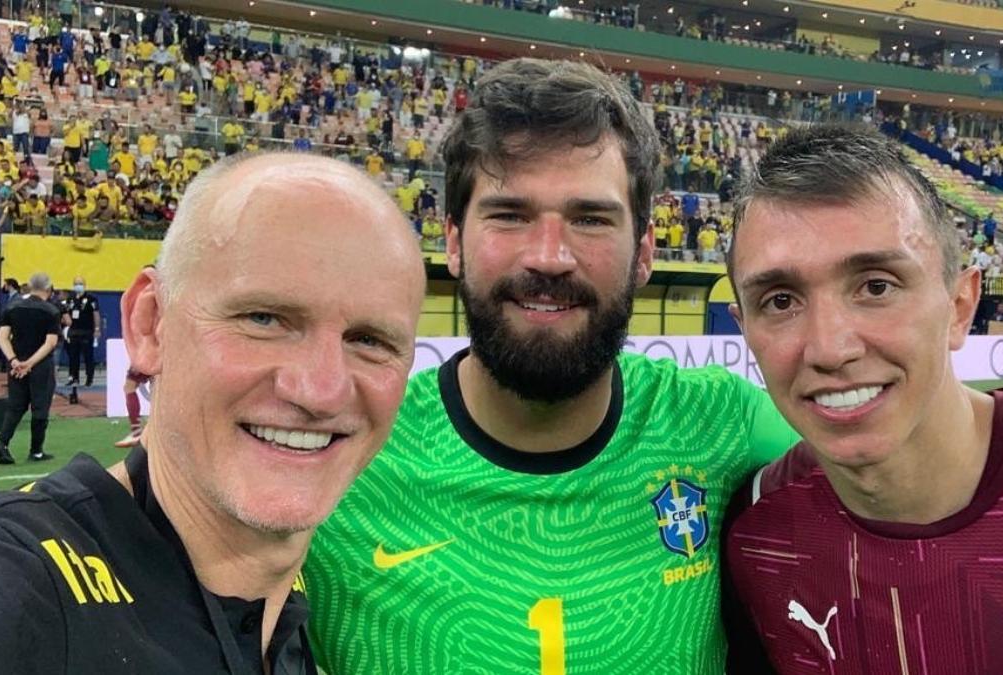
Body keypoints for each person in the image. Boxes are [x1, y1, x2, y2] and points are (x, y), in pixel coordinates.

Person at [304, 58, 800, 675]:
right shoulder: (344, 454)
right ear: (453, 241)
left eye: (590, 218)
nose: (549, 257)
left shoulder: (722, 422)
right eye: (509, 215)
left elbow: (916, 466)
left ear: (644, 252)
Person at [722, 125, 1003, 674]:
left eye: (877, 286)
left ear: (960, 305)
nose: (830, 348)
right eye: (781, 300)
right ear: (745, 328)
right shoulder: (756, 530)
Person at [0, 153, 426, 672]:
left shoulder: (305, 602)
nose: (319, 391)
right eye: (264, 318)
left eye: (369, 340)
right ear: (150, 325)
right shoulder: (15, 582)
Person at [0, 272, 61, 464]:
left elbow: (2, 337)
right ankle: (36, 451)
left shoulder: (12, 307)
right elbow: (50, 343)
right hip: (40, 365)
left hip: (16, 364)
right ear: (48, 288)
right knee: (40, 407)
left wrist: (14, 360)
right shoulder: (51, 311)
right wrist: (30, 363)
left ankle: (2, 442)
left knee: (15, 406)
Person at [62, 275, 101, 388]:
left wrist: (97, 329)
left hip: (87, 331)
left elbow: (96, 314)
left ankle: (89, 378)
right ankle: (74, 378)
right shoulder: (70, 299)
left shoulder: (91, 299)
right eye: (76, 284)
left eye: (80, 284)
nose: (78, 286)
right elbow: (66, 313)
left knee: (88, 356)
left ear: (84, 285)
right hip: (74, 332)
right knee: (73, 356)